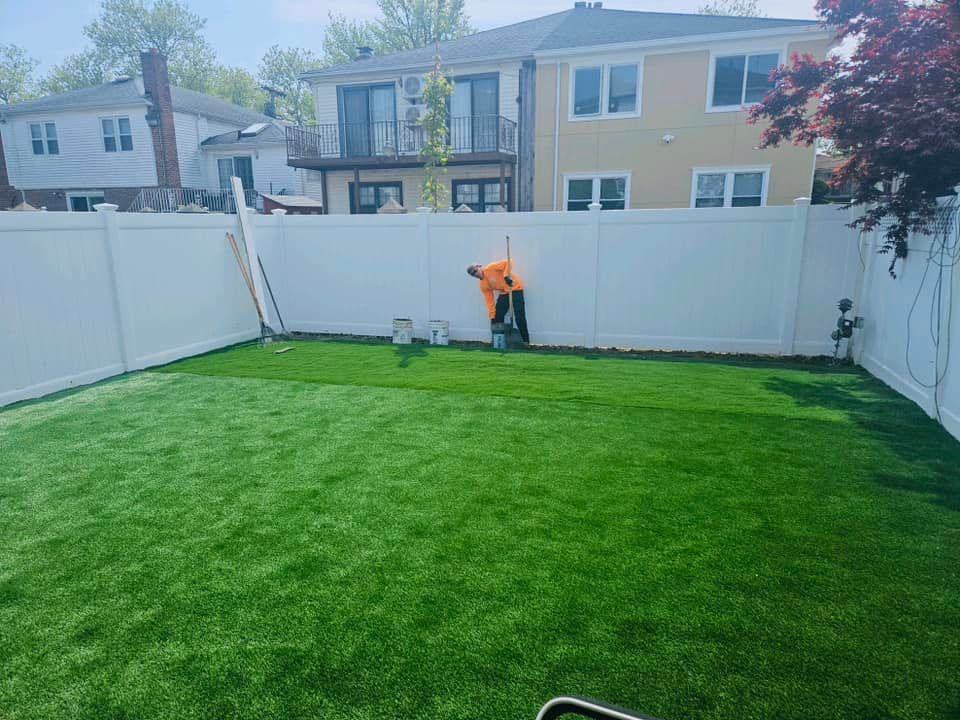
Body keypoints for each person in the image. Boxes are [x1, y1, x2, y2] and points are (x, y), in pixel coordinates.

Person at [466, 259, 529, 343]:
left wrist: (506, 276)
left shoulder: (491, 268)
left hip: (515, 288)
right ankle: (499, 341)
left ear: (479, 267)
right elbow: (489, 301)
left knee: (519, 315)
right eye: (473, 274)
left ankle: (525, 341)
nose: (475, 274)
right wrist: (492, 315)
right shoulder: (483, 285)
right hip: (504, 292)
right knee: (496, 316)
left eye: (475, 271)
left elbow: (509, 262)